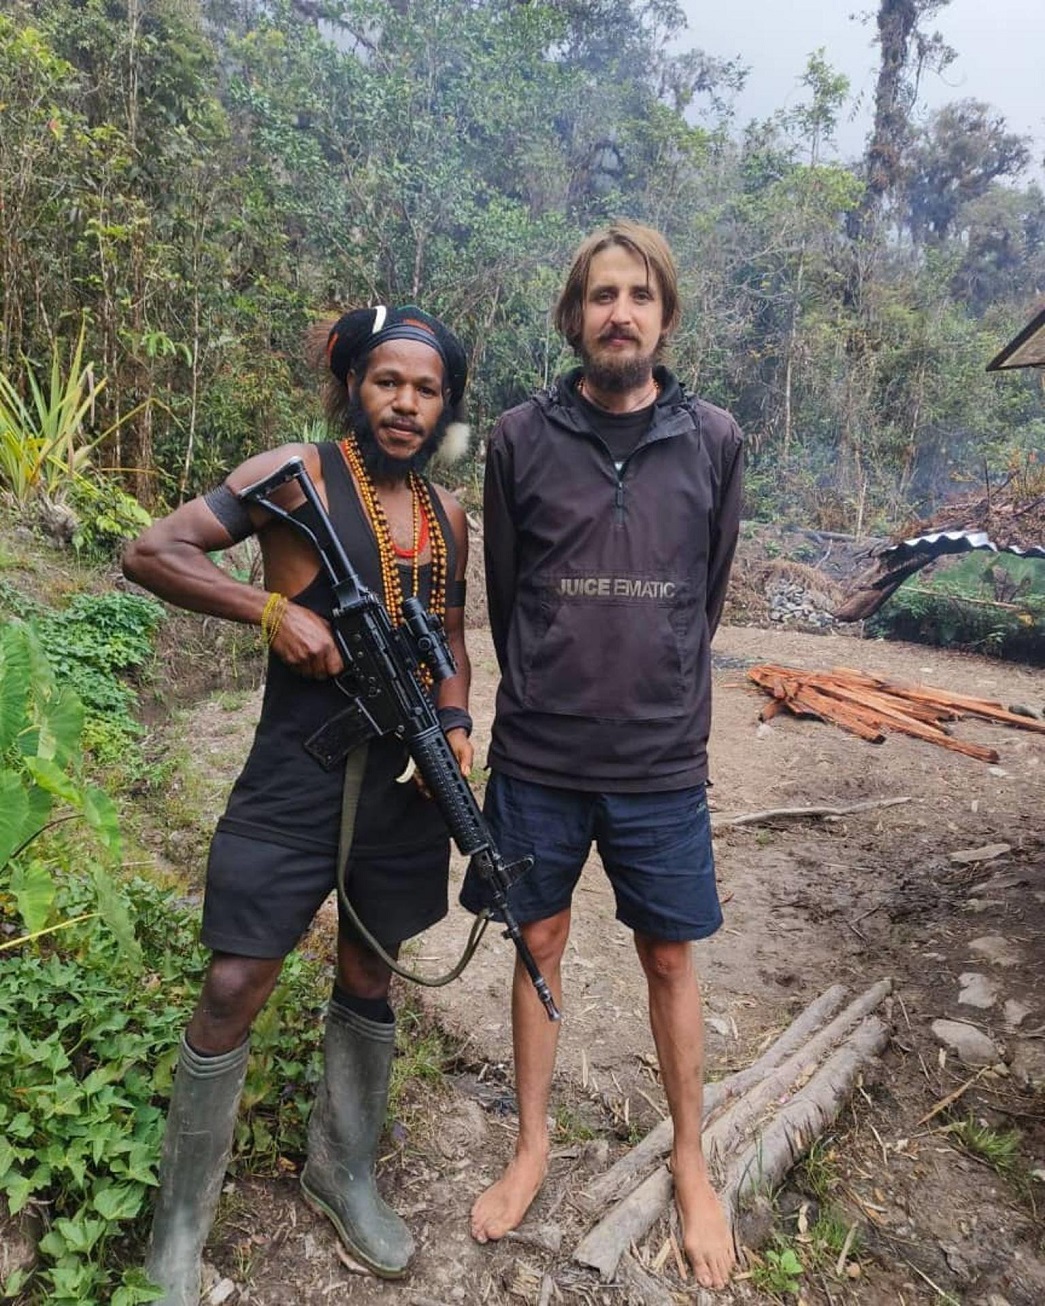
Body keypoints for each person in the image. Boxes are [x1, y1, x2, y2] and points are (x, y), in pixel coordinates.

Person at [123, 304, 475, 1303]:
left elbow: (451, 635)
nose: (405, 403)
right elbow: (152, 552)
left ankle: (342, 1168)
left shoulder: (447, 515)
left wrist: (453, 729)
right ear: (354, 383)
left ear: (444, 403)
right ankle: (179, 1228)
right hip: (295, 768)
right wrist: (268, 609)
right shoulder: (298, 474)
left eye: (426, 388)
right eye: (387, 382)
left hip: (402, 777)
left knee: (373, 964)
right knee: (236, 980)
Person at [461, 221, 743, 1291]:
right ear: (573, 316)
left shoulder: (711, 438)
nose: (617, 312)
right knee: (536, 940)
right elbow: (505, 590)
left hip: (663, 755)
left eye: (637, 295)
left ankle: (689, 1154)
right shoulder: (516, 440)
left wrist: (661, 673)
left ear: (665, 316)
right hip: (539, 750)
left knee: (669, 954)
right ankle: (530, 1144)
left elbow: (705, 597)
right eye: (598, 296)